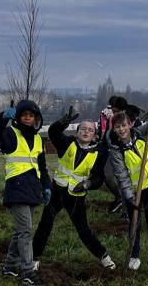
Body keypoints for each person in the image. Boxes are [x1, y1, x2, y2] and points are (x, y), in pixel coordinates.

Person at [32, 110, 116, 271]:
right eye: (83, 129)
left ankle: (104, 256)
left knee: (83, 230)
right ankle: (34, 258)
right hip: (57, 190)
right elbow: (53, 132)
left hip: (76, 196)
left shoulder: (98, 153)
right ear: (76, 133)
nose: (86, 132)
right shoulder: (67, 143)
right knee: (45, 225)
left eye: (90, 130)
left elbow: (99, 178)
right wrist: (63, 122)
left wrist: (87, 185)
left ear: (95, 135)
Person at [0, 100, 51, 286]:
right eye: (23, 114)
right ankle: (27, 271)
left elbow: (43, 167)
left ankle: (9, 266)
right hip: (16, 189)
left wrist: (47, 186)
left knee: (20, 232)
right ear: (17, 117)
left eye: (31, 115)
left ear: (36, 119)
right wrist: (2, 118)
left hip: (34, 190)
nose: (27, 118)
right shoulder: (10, 134)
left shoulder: (39, 139)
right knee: (25, 232)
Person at [108, 110, 148, 271]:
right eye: (117, 127)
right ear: (114, 129)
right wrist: (129, 195)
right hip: (132, 191)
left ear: (130, 125)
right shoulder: (116, 150)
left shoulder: (140, 133)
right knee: (134, 223)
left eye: (124, 125)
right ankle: (134, 255)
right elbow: (122, 175)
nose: (121, 129)